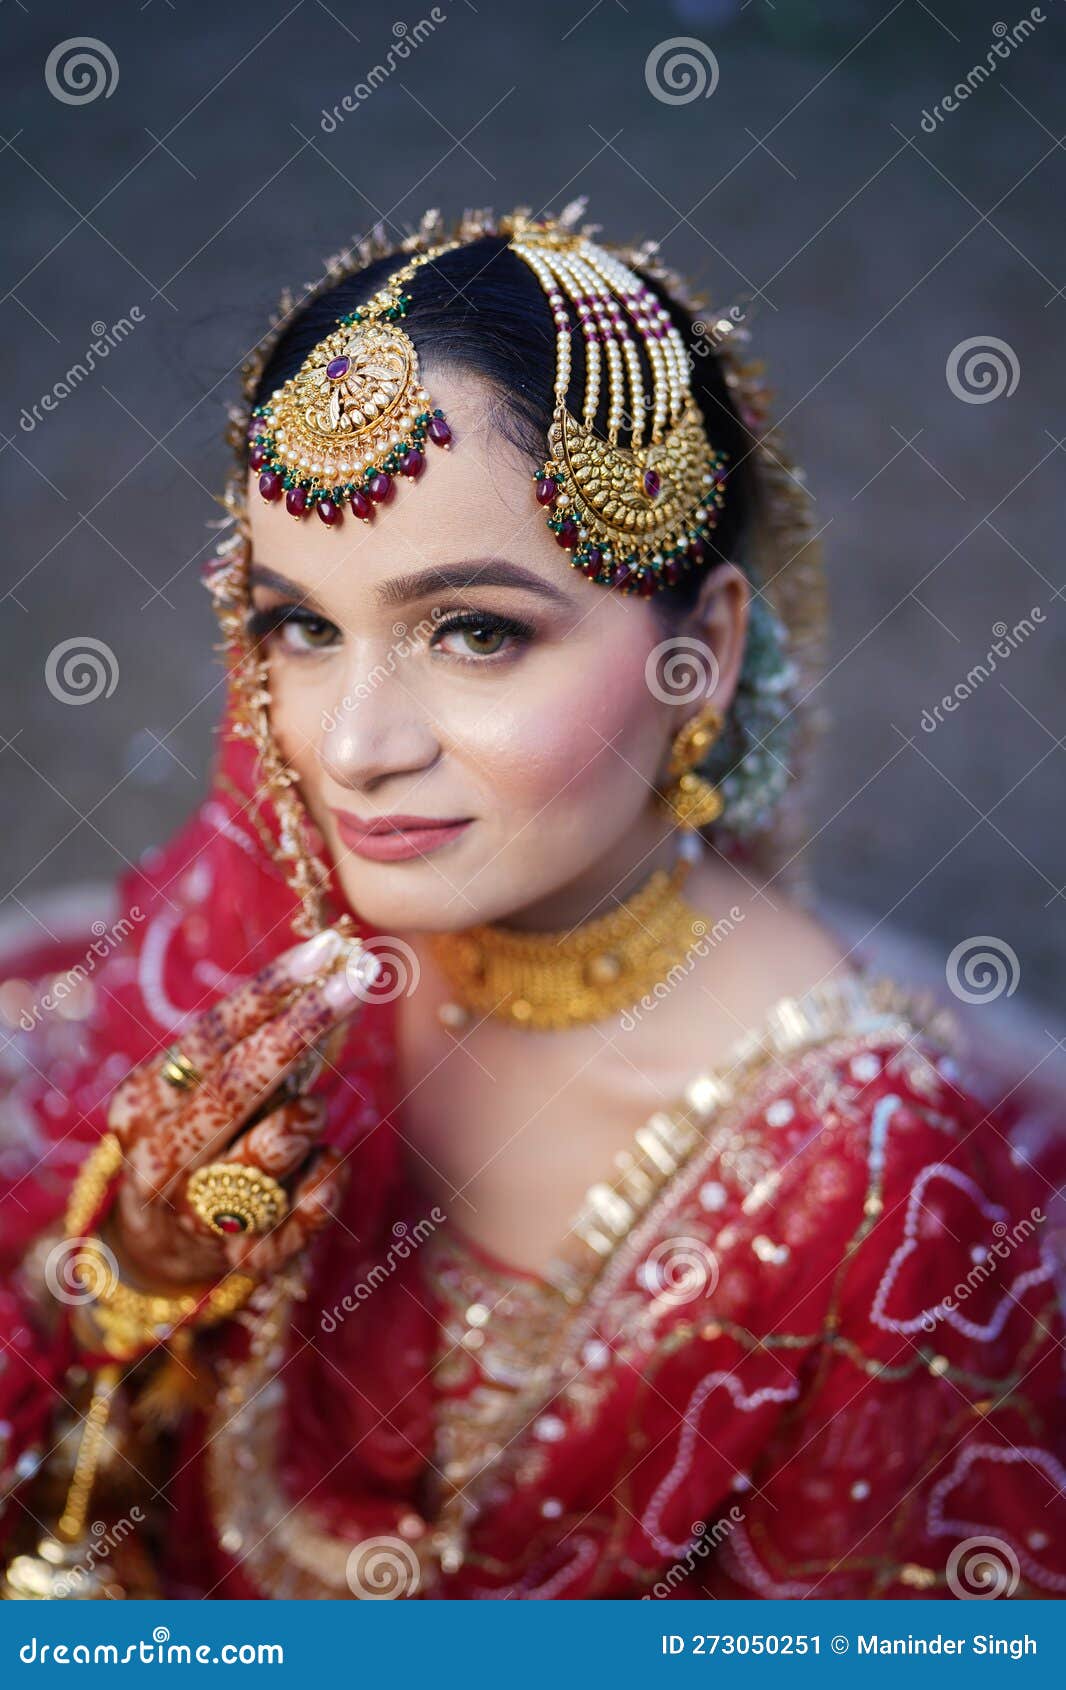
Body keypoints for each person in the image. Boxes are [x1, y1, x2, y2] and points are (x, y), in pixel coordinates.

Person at [1, 204, 1062, 1601]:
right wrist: (143, 1265)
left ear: (708, 650)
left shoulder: (858, 1178)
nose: (350, 747)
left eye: (476, 631)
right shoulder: (291, 941)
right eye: (300, 626)